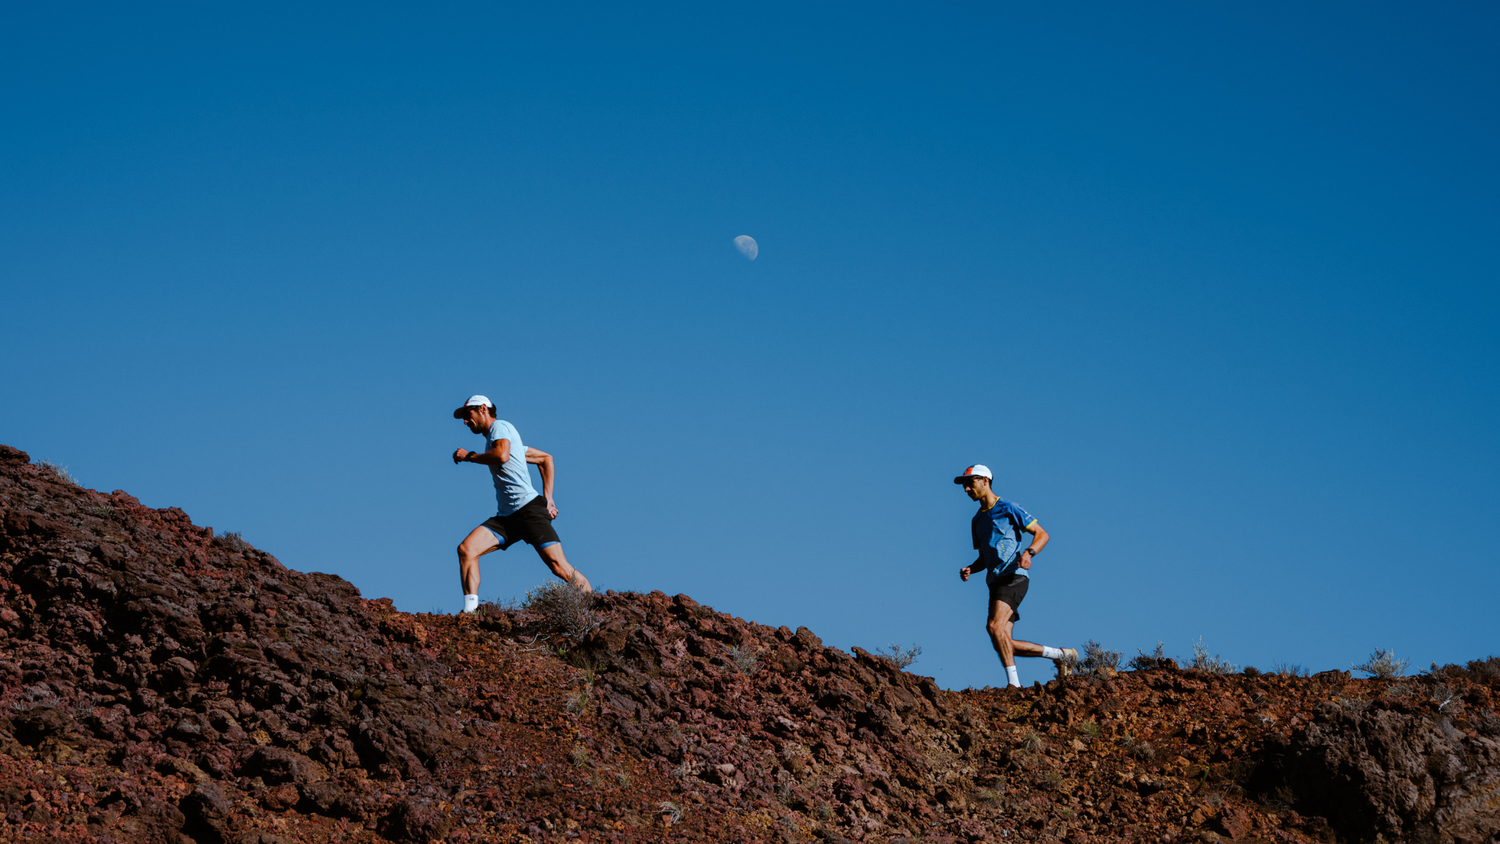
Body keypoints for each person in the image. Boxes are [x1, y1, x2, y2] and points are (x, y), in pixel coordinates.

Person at [451, 395, 592, 613]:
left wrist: (469, 456)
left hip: (529, 511)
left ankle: (595, 609)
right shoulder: (503, 440)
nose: (465, 422)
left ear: (482, 409)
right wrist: (549, 498)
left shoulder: (499, 427)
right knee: (467, 550)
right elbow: (545, 458)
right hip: (507, 518)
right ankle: (469, 613)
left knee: (559, 567)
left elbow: (502, 455)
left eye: (468, 415)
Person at [955, 464, 1075, 687]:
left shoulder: (1009, 507)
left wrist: (1029, 553)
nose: (966, 489)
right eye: (964, 486)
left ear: (985, 481)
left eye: (970, 483)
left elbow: (1042, 534)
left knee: (994, 627)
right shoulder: (976, 521)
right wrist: (971, 568)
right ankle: (1061, 655)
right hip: (994, 582)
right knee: (1003, 641)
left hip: (1014, 576)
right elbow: (984, 558)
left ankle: (1014, 685)